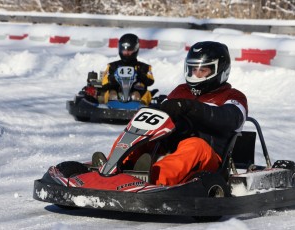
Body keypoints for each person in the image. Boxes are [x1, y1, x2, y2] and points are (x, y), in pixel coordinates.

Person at [148, 41, 248, 185]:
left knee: (195, 146)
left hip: (210, 159)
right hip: (171, 149)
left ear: (220, 70)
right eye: (193, 69)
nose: (196, 74)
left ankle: (153, 181)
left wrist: (190, 107)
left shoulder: (233, 96)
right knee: (146, 140)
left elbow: (229, 119)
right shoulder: (180, 91)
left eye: (203, 70)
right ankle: (116, 171)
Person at [100, 33, 155, 105]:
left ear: (135, 49)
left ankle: (139, 109)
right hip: (117, 95)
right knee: (112, 94)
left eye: (129, 50)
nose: (126, 53)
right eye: (124, 50)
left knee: (136, 94)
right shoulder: (112, 66)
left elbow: (150, 81)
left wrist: (139, 74)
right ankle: (111, 107)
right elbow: (104, 83)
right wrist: (114, 77)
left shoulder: (144, 67)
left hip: (138, 96)